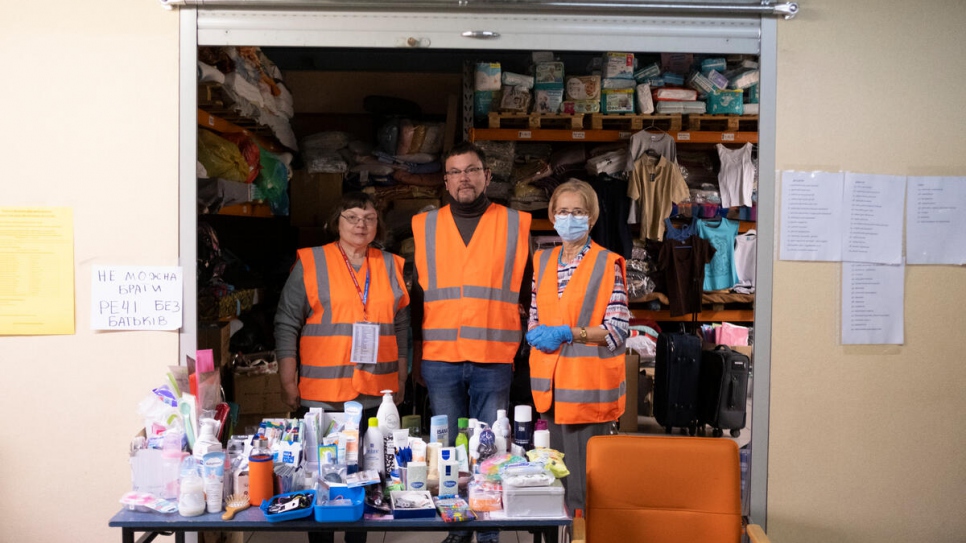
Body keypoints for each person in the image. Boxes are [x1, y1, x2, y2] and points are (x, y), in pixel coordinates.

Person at [411, 142, 531, 543]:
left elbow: (530, 291)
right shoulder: (424, 225)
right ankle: (457, 529)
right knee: (446, 453)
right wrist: (415, 354)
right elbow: (415, 299)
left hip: (493, 356)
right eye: (456, 171)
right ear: (445, 180)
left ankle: (488, 533)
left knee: (490, 453)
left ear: (487, 176)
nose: (464, 177)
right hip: (441, 358)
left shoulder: (516, 224)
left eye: (472, 170)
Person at [275, 192, 410, 543]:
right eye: (352, 217)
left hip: (374, 396)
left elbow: (402, 328)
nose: (361, 225)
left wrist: (402, 377)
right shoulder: (312, 262)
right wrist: (287, 378)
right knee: (319, 478)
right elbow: (287, 321)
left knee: (366, 477)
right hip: (322, 395)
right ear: (336, 222)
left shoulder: (391, 264)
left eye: (368, 218)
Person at [525, 179, 630, 516]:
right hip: (549, 390)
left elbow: (617, 331)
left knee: (585, 492)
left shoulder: (606, 263)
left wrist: (572, 333)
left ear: (592, 218)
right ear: (553, 215)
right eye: (564, 211)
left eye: (579, 212)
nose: (571, 218)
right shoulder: (542, 260)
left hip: (589, 392)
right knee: (554, 481)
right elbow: (535, 312)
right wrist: (534, 333)